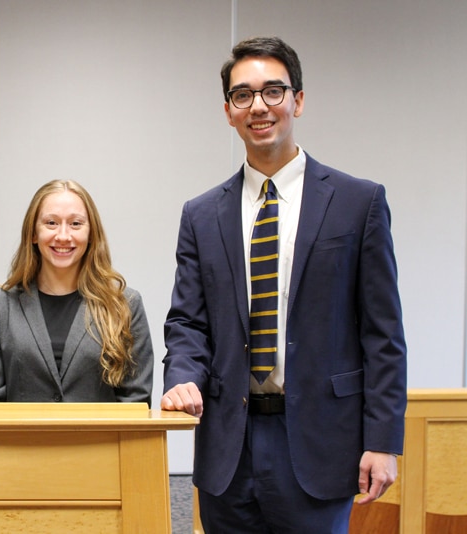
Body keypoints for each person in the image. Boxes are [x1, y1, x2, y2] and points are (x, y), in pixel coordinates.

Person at [160, 37, 406, 533]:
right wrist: (181, 376)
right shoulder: (201, 214)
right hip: (229, 446)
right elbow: (188, 320)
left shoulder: (359, 203)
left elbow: (383, 335)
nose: (259, 107)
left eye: (273, 91)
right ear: (228, 111)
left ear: (298, 100)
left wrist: (383, 440)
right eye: (243, 95)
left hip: (320, 444)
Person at [0, 180, 153, 404]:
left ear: (91, 234)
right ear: (33, 233)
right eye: (51, 223)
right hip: (20, 440)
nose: (64, 236)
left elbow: (136, 403)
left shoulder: (125, 304)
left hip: (100, 440)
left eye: (76, 224)